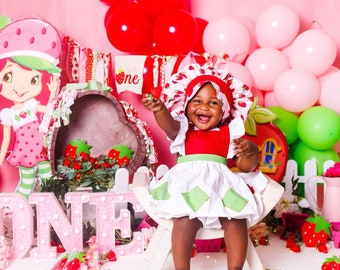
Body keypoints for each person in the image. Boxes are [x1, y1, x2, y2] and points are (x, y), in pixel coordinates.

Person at [142, 62, 268, 270]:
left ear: (224, 111)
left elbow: (246, 167)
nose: (204, 107)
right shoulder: (184, 129)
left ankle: (235, 267)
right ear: (186, 105)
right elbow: (168, 125)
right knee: (184, 221)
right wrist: (159, 109)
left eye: (213, 103)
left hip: (221, 186)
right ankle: (181, 268)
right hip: (189, 185)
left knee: (235, 219)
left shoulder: (229, 133)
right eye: (197, 100)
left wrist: (250, 151)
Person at [0, 56, 60, 197]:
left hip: (40, 148)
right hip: (24, 152)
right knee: (27, 184)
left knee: (48, 180)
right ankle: (18, 207)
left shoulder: (31, 104)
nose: (20, 87)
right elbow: (6, 139)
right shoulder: (7, 113)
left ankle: (54, 205)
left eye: (33, 80)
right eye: (8, 77)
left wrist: (53, 92)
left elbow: (48, 111)